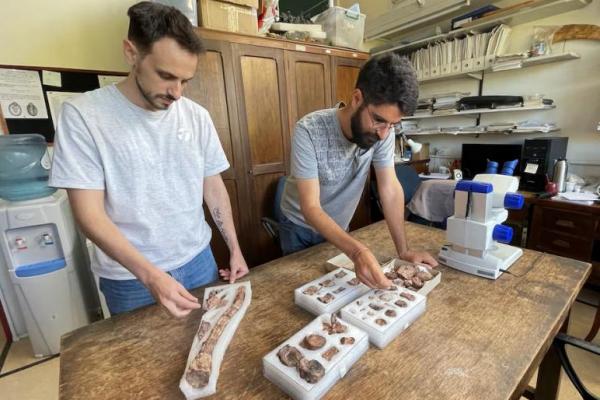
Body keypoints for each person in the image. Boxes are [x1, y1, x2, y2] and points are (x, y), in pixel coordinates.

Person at [49, 1, 248, 317]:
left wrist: (235, 249)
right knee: (139, 364)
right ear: (131, 53)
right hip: (130, 279)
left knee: (204, 350)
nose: (177, 93)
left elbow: (213, 187)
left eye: (185, 80)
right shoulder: (84, 116)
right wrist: (151, 276)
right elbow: (89, 215)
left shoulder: (196, 116)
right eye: (166, 76)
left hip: (199, 260)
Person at [279, 53, 438, 289]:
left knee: (340, 291)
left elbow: (390, 188)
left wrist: (403, 250)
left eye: (391, 125)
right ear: (356, 98)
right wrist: (358, 251)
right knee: (304, 292)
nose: (384, 134)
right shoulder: (309, 130)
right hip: (299, 227)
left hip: (339, 228)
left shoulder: (383, 131)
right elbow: (310, 207)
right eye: (378, 120)